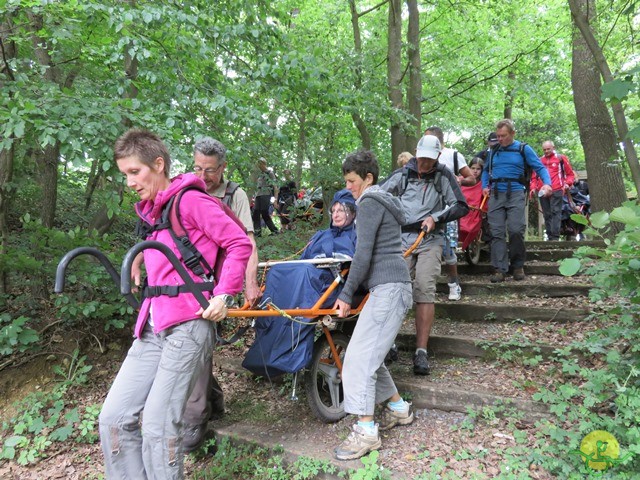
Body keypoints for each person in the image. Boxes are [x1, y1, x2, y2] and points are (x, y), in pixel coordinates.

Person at [99, 129, 252, 479]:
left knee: (157, 425)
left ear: (158, 163)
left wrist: (224, 293)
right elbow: (168, 254)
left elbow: (239, 243)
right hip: (152, 324)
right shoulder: (154, 212)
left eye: (134, 172)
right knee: (114, 417)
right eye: (125, 174)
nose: (129, 182)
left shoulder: (190, 201)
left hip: (189, 322)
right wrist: (139, 258)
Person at [181, 136, 261, 452]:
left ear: (223, 168)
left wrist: (249, 283)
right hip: (187, 282)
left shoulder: (234, 195)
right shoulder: (185, 190)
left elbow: (247, 241)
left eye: (210, 170)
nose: (203, 176)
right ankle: (212, 399)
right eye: (197, 168)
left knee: (199, 342)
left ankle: (196, 415)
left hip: (218, 285)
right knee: (196, 344)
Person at [332, 150, 414, 461]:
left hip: (390, 290)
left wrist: (346, 293)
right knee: (371, 357)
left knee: (356, 360)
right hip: (393, 287)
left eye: (352, 181)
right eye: (346, 181)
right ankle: (398, 408)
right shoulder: (383, 201)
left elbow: (363, 254)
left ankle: (366, 432)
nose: (348, 186)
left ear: (368, 178)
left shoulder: (368, 203)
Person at [242, 189, 357, 377]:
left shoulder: (355, 235)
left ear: (351, 212)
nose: (336, 215)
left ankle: (290, 351)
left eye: (341, 211)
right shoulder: (321, 235)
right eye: (333, 210)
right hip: (310, 275)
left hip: (330, 284)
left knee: (304, 273)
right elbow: (302, 260)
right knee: (278, 271)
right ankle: (266, 343)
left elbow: (355, 264)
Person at [381, 135, 469, 375]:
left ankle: (421, 351)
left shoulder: (443, 175)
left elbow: (460, 204)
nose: (424, 164)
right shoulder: (402, 174)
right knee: (394, 289)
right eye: (422, 158)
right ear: (416, 153)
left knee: (424, 288)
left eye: (430, 160)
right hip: (401, 239)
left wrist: (436, 217)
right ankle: (388, 344)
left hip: (430, 239)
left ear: (438, 157)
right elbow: (379, 196)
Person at [481, 119, 552, 283]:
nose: (500, 139)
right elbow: (485, 171)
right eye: (498, 136)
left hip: (516, 193)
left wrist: (547, 183)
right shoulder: (493, 151)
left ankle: (518, 265)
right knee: (496, 232)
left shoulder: (523, 149)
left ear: (513, 134)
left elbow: (540, 167)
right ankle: (499, 269)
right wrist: (485, 186)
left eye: (503, 136)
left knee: (515, 230)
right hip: (496, 194)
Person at [425, 126, 476, 301]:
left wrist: (459, 180)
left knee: (448, 249)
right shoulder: (422, 157)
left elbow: (471, 178)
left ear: (439, 142)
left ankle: (454, 285)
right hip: (427, 209)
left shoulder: (454, 155)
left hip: (448, 209)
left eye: (429, 139)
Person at [530, 140, 575, 241]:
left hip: (557, 189)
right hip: (542, 190)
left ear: (553, 148)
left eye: (548, 149)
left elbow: (570, 174)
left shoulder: (560, 158)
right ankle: (550, 237)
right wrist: (533, 188)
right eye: (544, 149)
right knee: (547, 214)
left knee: (556, 212)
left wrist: (567, 183)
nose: (546, 151)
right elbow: (534, 177)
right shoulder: (539, 160)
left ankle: (555, 237)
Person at [459, 157, 488, 250]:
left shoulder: (484, 184)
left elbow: (485, 200)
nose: (475, 171)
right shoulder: (461, 180)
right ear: (468, 168)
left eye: (478, 169)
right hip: (461, 210)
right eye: (473, 168)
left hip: (475, 212)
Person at [251, 157, 279, 236]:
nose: (259, 166)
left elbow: (275, 186)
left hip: (266, 194)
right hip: (258, 195)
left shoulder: (270, 173)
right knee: (255, 212)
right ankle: (257, 232)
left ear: (264, 164)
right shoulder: (259, 175)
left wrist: (275, 200)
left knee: (264, 212)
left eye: (260, 164)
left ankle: (274, 231)